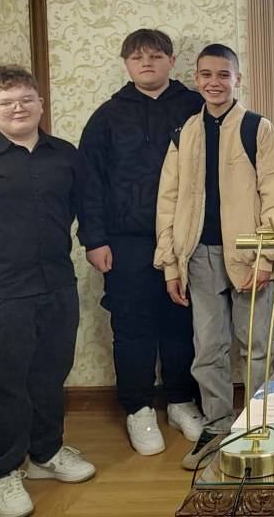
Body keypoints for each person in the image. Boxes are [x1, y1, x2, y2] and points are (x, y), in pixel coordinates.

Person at [0, 65, 95, 517]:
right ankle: (4, 472)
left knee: (50, 375)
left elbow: (83, 206)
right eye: (6, 103)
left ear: (40, 104)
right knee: (5, 385)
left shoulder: (65, 155)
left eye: (26, 100)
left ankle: (46, 454)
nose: (18, 108)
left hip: (57, 286)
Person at [154, 44, 274, 470]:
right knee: (208, 348)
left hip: (249, 255)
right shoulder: (184, 133)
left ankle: (259, 425)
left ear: (238, 79)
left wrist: (267, 257)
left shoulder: (257, 128)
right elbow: (168, 201)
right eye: (206, 74)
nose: (214, 82)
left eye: (223, 74)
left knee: (257, 345)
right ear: (196, 79)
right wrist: (170, 264)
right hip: (198, 255)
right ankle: (218, 427)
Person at [78, 28, 205, 456]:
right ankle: (138, 408)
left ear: (172, 61)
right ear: (127, 65)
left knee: (182, 322)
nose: (146, 63)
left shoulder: (194, 107)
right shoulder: (107, 117)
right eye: (137, 57)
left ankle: (181, 401)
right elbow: (89, 183)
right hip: (126, 241)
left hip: (184, 239)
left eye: (155, 55)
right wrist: (94, 239)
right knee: (132, 327)